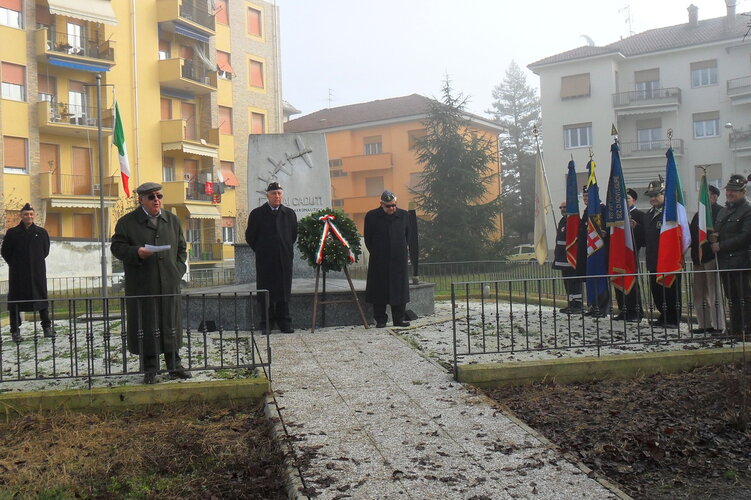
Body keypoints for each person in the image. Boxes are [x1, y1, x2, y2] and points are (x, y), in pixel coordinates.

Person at [111, 182, 190, 384]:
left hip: (169, 282)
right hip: (143, 284)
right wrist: (136, 252)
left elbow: (182, 249)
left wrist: (178, 270)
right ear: (141, 200)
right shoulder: (127, 223)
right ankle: (150, 368)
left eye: (159, 196)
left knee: (170, 323)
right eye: (151, 197)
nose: (156, 200)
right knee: (148, 324)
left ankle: (174, 365)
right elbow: (117, 248)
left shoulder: (171, 220)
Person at [245, 181, 297, 333]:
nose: (277, 196)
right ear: (267, 196)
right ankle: (266, 322)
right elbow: (250, 236)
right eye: (273, 193)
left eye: (279, 193)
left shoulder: (289, 214)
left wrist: (284, 248)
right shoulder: (257, 214)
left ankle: (284, 322)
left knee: (283, 290)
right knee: (266, 291)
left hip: (284, 258)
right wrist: (262, 250)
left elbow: (293, 235)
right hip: (265, 260)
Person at [1, 203, 52, 342]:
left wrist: (35, 262)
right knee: (16, 301)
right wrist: (17, 264)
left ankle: (47, 328)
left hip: (37, 272)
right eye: (25, 214)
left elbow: (45, 251)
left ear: (33, 215)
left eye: (30, 214)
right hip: (18, 274)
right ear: (21, 216)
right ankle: (15, 331)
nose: (28, 216)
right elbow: (5, 251)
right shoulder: (12, 233)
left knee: (41, 298)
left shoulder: (41, 232)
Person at [711, 174, 751, 340]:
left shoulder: (748, 209)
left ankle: (747, 331)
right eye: (728, 190)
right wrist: (714, 237)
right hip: (725, 261)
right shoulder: (724, 210)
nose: (729, 193)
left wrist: (721, 245)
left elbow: (746, 235)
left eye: (734, 191)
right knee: (732, 299)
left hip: (742, 261)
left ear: (743, 191)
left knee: (745, 298)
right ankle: (734, 330)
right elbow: (719, 229)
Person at [364, 190, 411, 328]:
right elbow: (368, 238)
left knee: (399, 290)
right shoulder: (372, 216)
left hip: (398, 259)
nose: (392, 208)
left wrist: (400, 250)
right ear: (381, 204)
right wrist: (377, 252)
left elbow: (407, 236)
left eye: (394, 205)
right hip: (379, 259)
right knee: (379, 289)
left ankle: (399, 319)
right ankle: (380, 320)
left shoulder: (404, 215)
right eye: (388, 206)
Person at [644, 178, 680, 328]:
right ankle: (663, 315)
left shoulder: (671, 213)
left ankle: (673, 319)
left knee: (671, 291)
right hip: (653, 260)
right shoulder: (648, 215)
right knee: (657, 291)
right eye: (651, 196)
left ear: (664, 194)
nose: (653, 198)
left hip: (668, 260)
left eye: (656, 195)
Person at [689, 184, 724, 334]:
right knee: (699, 294)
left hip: (711, 257)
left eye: (706, 195)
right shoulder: (698, 215)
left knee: (714, 293)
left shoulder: (721, 212)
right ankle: (704, 324)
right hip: (698, 258)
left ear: (714, 197)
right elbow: (692, 235)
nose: (702, 199)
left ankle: (718, 325)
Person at [577, 185, 609, 317]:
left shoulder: (601, 209)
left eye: (588, 196)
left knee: (599, 279)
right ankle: (593, 306)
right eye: (584, 196)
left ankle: (602, 308)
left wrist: (604, 232)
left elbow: (607, 227)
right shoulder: (587, 211)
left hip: (598, 251)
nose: (585, 198)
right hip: (588, 251)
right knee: (590, 280)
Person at [613, 188, 644, 321]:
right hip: (619, 253)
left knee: (631, 284)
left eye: (628, 199)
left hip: (631, 253)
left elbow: (644, 236)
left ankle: (635, 312)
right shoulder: (618, 216)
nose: (626, 202)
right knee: (619, 281)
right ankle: (624, 310)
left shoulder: (639, 214)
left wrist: (637, 227)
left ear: (634, 200)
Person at [552, 201, 582, 314]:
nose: (563, 209)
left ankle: (577, 305)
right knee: (568, 284)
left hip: (571, 259)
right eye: (561, 207)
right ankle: (571, 304)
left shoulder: (574, 221)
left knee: (574, 283)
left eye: (565, 207)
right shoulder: (563, 221)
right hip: (562, 260)